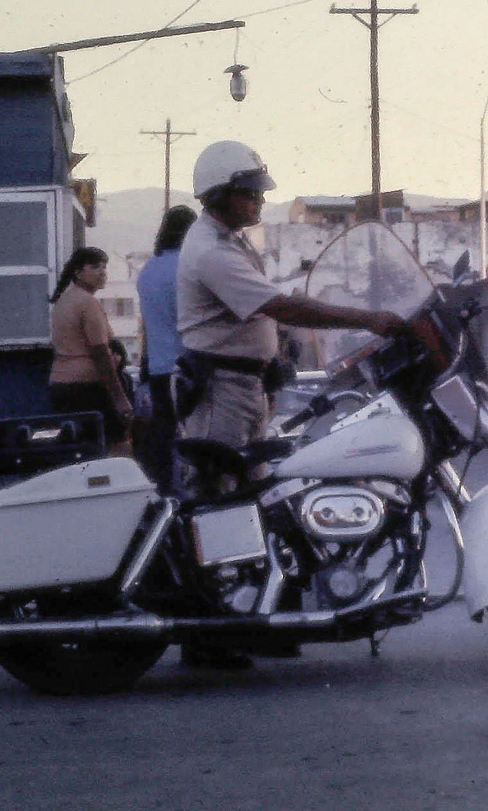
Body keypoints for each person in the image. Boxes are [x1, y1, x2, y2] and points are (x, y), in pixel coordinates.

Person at [175, 141, 404, 669]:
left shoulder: (228, 241)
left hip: (246, 387)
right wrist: (365, 319)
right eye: (249, 192)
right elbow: (279, 303)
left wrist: (280, 348)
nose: (258, 201)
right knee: (216, 503)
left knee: (257, 503)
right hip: (221, 392)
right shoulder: (211, 249)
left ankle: (256, 617)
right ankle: (205, 633)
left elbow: (263, 311)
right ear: (221, 193)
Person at [48, 246, 134, 458]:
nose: (103, 272)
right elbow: (100, 352)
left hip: (61, 386)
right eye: (95, 267)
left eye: (104, 267)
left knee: (78, 451)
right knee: (119, 448)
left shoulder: (64, 301)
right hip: (89, 387)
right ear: (78, 272)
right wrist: (119, 397)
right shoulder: (88, 303)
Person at [135, 204, 197, 491]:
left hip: (157, 369)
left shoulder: (148, 271)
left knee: (164, 441)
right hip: (187, 369)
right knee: (194, 442)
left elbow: (148, 325)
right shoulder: (188, 268)